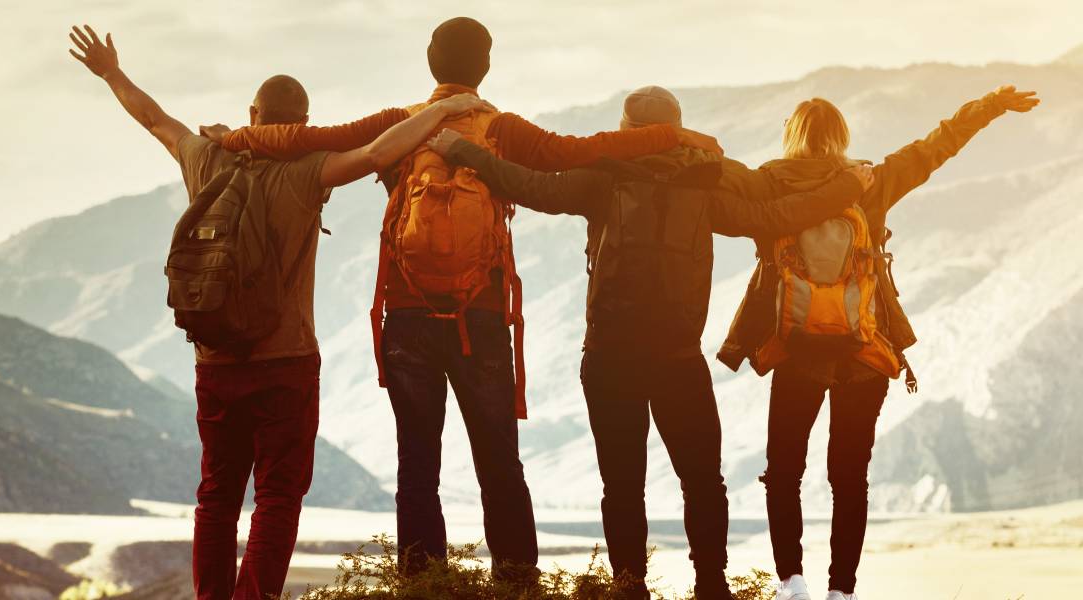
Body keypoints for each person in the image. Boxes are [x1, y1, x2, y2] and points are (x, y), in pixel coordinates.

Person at [211, 17, 722, 577]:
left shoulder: (399, 126)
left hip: (407, 314)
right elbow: (587, 149)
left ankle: (423, 584)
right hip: (481, 315)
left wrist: (237, 137)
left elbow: (311, 140)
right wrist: (673, 136)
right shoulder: (502, 128)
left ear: (431, 63)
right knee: (499, 459)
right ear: (485, 67)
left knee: (417, 466)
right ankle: (517, 583)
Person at [66, 24, 496, 600]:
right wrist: (448, 112)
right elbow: (377, 151)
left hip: (214, 361)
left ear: (253, 111)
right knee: (277, 496)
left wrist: (111, 73)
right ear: (299, 122)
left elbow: (155, 120)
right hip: (286, 360)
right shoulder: (306, 171)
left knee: (216, 495)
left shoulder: (205, 159)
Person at [426, 85, 874, 599]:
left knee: (621, 486)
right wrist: (845, 191)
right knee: (703, 480)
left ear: (625, 128)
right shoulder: (704, 182)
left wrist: (463, 151)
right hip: (678, 359)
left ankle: (630, 585)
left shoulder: (604, 176)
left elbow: (530, 186)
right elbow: (774, 216)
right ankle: (711, 583)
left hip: (608, 356)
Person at [715, 85, 1041, 600]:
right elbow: (938, 145)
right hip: (863, 352)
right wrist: (990, 105)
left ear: (791, 137)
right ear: (841, 138)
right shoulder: (872, 181)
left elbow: (716, 176)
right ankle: (841, 591)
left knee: (783, 471)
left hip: (797, 350)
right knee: (849, 478)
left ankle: (792, 582)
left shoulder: (768, 183)